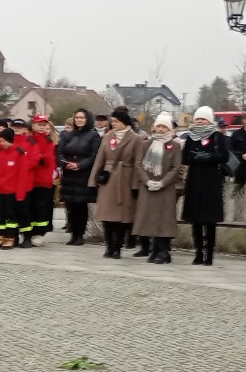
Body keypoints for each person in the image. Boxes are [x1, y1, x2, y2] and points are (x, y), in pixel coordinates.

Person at [182, 106, 229, 265]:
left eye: (203, 119)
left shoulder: (218, 136)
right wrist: (195, 158)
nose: (200, 121)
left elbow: (224, 156)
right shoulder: (190, 137)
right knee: (195, 220)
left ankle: (209, 254)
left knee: (210, 220)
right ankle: (198, 252)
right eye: (198, 119)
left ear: (209, 120)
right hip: (195, 180)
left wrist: (209, 157)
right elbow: (185, 158)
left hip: (212, 181)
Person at [132, 113, 182, 264]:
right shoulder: (145, 144)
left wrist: (162, 182)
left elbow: (176, 167)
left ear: (169, 129)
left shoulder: (174, 146)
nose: (160, 129)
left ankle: (164, 251)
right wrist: (147, 181)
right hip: (148, 187)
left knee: (164, 220)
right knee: (150, 219)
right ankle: (153, 250)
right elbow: (138, 164)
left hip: (165, 188)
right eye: (158, 126)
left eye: (164, 126)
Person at [89, 109, 139, 258]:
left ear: (124, 122)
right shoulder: (107, 137)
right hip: (108, 180)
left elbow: (138, 163)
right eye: (112, 122)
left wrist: (135, 185)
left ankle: (117, 247)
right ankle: (109, 246)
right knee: (106, 215)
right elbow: (100, 159)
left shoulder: (135, 139)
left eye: (116, 121)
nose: (113, 124)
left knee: (122, 217)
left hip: (126, 179)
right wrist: (94, 179)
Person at [56, 108, 101, 246]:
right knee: (70, 205)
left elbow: (94, 156)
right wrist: (64, 163)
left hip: (83, 174)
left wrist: (80, 165)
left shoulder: (93, 136)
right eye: (77, 118)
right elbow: (59, 151)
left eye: (82, 118)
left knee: (81, 206)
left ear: (88, 119)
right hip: (69, 174)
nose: (79, 120)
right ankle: (72, 233)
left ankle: (80, 234)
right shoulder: (68, 135)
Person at [0, 127, 27, 249]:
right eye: (0, 141)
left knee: (11, 215)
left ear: (9, 140)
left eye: (3, 141)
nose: (1, 143)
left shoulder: (19, 153)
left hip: (11, 192)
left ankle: (10, 237)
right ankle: (0, 236)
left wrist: (20, 194)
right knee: (0, 215)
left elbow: (22, 175)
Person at [26, 114, 57, 246]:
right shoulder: (29, 139)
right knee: (29, 206)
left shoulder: (49, 141)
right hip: (29, 179)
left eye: (44, 125)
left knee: (41, 207)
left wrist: (36, 157)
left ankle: (40, 232)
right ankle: (29, 232)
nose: (42, 127)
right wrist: (36, 157)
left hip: (43, 180)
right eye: (39, 124)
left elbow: (47, 159)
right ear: (33, 125)